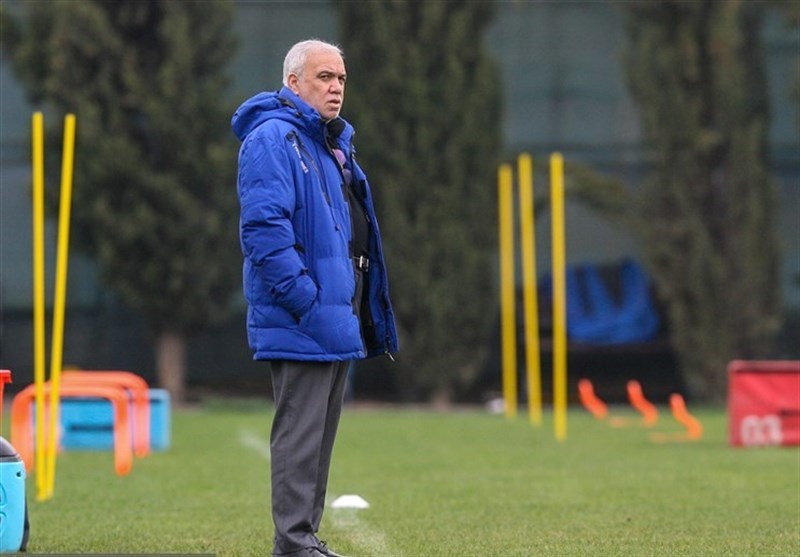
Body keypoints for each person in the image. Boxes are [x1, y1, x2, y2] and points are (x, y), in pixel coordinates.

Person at [231, 39, 399, 557]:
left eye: (341, 79)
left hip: (332, 314)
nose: (336, 88)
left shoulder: (326, 143)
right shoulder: (272, 138)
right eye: (324, 77)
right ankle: (293, 543)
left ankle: (305, 538)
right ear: (293, 82)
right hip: (302, 316)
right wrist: (304, 299)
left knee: (319, 440)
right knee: (300, 437)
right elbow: (264, 230)